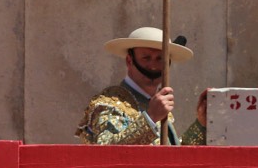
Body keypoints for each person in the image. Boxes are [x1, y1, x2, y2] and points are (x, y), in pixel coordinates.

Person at [76, 26, 205, 146]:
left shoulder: (158, 104)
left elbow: (173, 158)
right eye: (146, 58)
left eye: (160, 59)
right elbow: (107, 151)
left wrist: (201, 124)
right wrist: (150, 118)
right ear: (129, 60)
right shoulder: (108, 104)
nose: (153, 66)